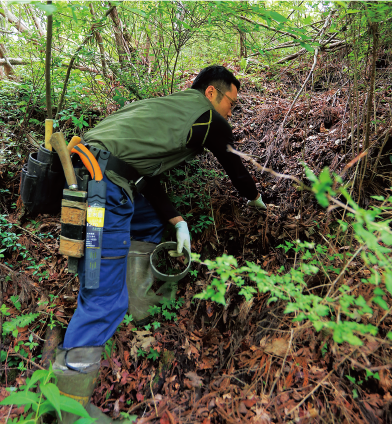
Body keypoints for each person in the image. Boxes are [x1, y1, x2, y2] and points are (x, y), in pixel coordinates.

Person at [53, 65, 266, 423]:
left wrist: (177, 221)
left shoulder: (165, 109)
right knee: (103, 296)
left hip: (90, 177)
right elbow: (232, 160)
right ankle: (68, 405)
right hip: (104, 194)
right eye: (231, 101)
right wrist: (255, 197)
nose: (232, 111)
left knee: (149, 221)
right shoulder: (206, 117)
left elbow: (140, 174)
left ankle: (138, 300)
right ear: (211, 94)